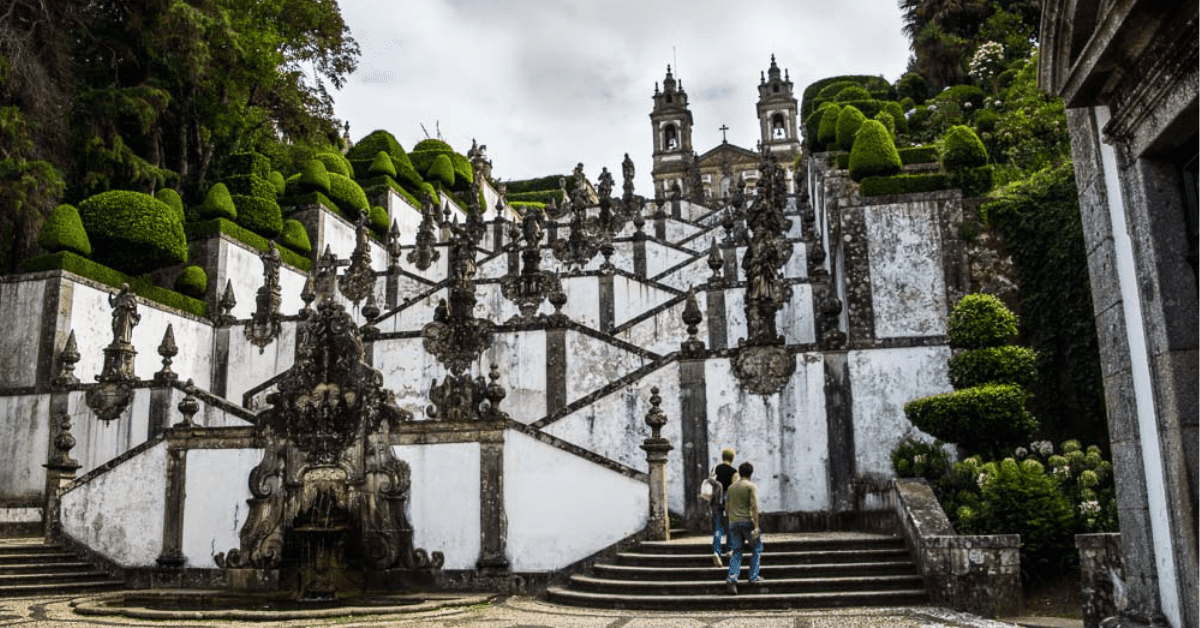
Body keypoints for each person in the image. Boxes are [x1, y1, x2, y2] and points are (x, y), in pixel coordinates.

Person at [725, 461, 764, 594]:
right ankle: (753, 576)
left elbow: (727, 507)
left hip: (733, 523)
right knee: (757, 547)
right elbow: (754, 506)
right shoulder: (750, 486)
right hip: (747, 522)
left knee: (737, 551)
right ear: (751, 473)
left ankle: (732, 577)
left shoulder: (731, 488)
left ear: (740, 472)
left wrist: (731, 520)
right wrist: (757, 526)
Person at [710, 448, 738, 567]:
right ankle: (729, 550)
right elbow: (734, 489)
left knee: (717, 527)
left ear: (722, 457)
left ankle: (717, 552)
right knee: (731, 524)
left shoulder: (715, 468)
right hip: (728, 499)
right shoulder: (734, 472)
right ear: (732, 458)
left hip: (716, 499)